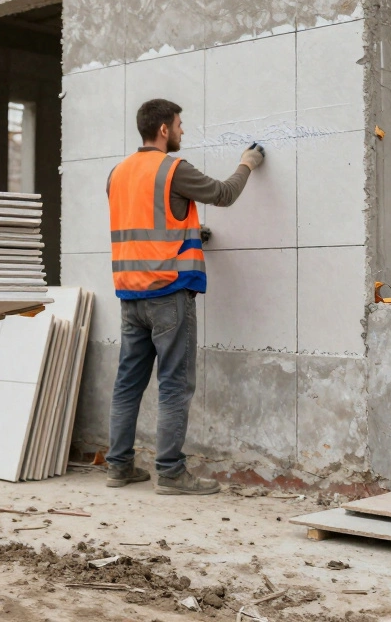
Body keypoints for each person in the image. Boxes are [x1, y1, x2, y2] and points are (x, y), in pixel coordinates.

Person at [104, 98, 265, 495]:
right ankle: (171, 474)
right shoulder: (174, 169)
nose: (182, 130)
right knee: (175, 385)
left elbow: (148, 219)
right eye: (179, 124)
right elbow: (224, 194)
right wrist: (248, 163)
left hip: (129, 295)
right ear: (163, 129)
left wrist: (192, 233)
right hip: (168, 294)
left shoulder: (117, 173)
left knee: (128, 383)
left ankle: (118, 466)